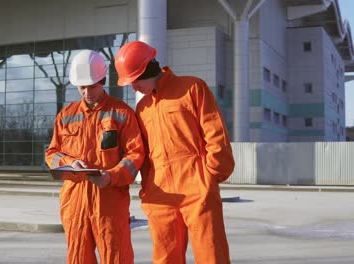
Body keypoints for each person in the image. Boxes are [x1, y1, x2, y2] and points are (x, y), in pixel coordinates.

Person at [114, 41, 235, 264]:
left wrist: (209, 177)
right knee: (165, 258)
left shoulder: (192, 88)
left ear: (146, 71)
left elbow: (216, 134)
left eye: (135, 81)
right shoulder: (143, 108)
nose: (133, 88)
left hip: (197, 188)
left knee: (211, 255)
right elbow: (145, 154)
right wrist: (148, 189)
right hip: (161, 195)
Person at [45, 49, 144, 264]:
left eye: (92, 86)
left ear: (103, 81)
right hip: (74, 201)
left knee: (116, 257)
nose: (87, 93)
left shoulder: (122, 113)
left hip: (109, 202)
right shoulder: (66, 115)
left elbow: (135, 154)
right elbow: (52, 153)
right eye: (82, 87)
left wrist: (111, 176)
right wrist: (69, 162)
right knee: (79, 258)